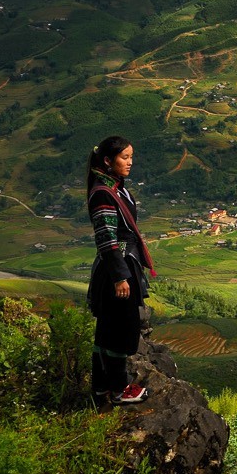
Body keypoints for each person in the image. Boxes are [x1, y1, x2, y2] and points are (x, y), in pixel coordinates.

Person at [86, 135, 155, 406]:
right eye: (124, 158)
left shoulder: (115, 188)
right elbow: (106, 237)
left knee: (107, 329)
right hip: (118, 269)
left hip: (123, 265)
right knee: (119, 330)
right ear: (107, 161)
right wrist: (120, 277)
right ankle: (118, 389)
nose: (130, 163)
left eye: (131, 157)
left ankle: (101, 387)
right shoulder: (103, 194)